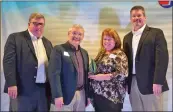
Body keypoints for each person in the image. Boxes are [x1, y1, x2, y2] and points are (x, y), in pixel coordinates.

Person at [3, 13, 53, 111]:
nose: (38, 26)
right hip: (22, 90)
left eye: (41, 24)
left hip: (43, 92)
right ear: (29, 24)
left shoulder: (48, 43)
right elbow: (9, 62)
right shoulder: (15, 38)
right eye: (35, 23)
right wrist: (11, 83)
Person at [123, 5, 169, 111]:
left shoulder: (156, 33)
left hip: (151, 83)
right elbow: (126, 63)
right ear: (131, 19)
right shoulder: (127, 38)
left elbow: (162, 58)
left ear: (145, 17)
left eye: (139, 15)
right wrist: (126, 82)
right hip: (133, 83)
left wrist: (158, 81)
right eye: (133, 16)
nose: (136, 18)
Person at [48, 24, 89, 111]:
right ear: (68, 34)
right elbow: (54, 74)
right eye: (74, 33)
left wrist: (88, 96)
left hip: (81, 94)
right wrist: (57, 95)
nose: (77, 36)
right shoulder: (59, 49)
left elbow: (86, 76)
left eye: (80, 34)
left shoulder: (84, 53)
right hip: (64, 95)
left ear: (83, 36)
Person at [88, 28, 128, 112]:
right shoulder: (102, 52)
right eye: (105, 39)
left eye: (109, 39)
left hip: (112, 96)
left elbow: (123, 74)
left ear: (115, 40)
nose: (106, 41)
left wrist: (103, 77)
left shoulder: (119, 53)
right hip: (98, 94)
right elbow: (97, 68)